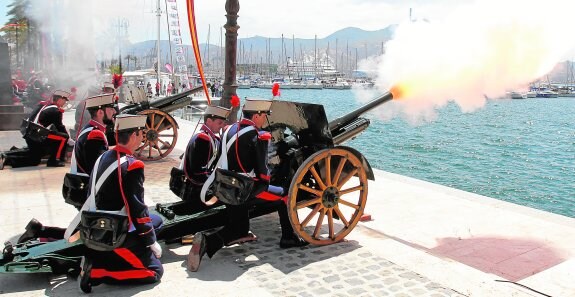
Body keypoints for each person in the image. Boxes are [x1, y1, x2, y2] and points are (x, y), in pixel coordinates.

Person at [187, 98, 308, 272]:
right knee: (286, 195)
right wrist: (269, 181)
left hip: (227, 185)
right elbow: (262, 172)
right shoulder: (258, 135)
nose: (265, 118)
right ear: (257, 115)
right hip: (247, 188)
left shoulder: (230, 129)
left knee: (239, 228)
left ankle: (206, 241)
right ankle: (288, 238)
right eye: (264, 115)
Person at [77, 114, 163, 293]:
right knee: (154, 271)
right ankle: (97, 274)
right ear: (133, 136)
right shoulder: (133, 166)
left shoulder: (103, 156)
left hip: (97, 222)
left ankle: (110, 258)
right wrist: (150, 241)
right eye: (141, 134)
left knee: (157, 221)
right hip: (116, 231)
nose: (142, 138)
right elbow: (136, 207)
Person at [17, 94, 118, 244]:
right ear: (100, 112)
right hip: (86, 191)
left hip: (81, 187)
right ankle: (39, 232)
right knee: (87, 236)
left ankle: (39, 231)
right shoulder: (95, 134)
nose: (114, 112)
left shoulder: (91, 129)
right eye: (111, 109)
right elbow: (97, 168)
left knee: (84, 232)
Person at [176, 105, 230, 212]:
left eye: (223, 123)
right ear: (209, 121)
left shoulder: (212, 138)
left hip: (201, 184)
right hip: (195, 188)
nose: (222, 126)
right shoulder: (203, 139)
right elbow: (198, 172)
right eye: (220, 123)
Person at [26, 90, 73, 167]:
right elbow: (60, 127)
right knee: (64, 137)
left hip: (30, 134)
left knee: (34, 160)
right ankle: (55, 160)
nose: (65, 103)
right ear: (60, 100)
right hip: (37, 136)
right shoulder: (55, 111)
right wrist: (69, 140)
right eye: (64, 100)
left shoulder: (43, 105)